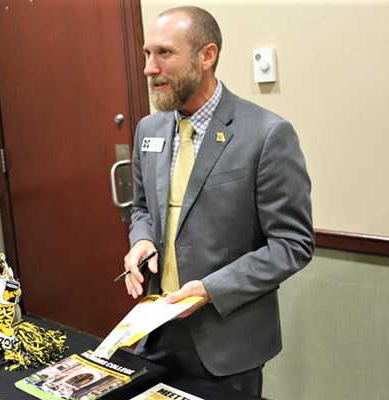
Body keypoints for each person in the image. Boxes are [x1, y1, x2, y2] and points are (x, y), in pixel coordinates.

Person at [122, 6, 314, 396]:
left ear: (206, 56)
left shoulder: (267, 134)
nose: (149, 68)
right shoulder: (149, 128)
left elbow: (292, 245)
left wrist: (211, 289)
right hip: (156, 335)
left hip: (227, 343)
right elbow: (141, 208)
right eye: (147, 54)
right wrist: (140, 240)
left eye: (164, 53)